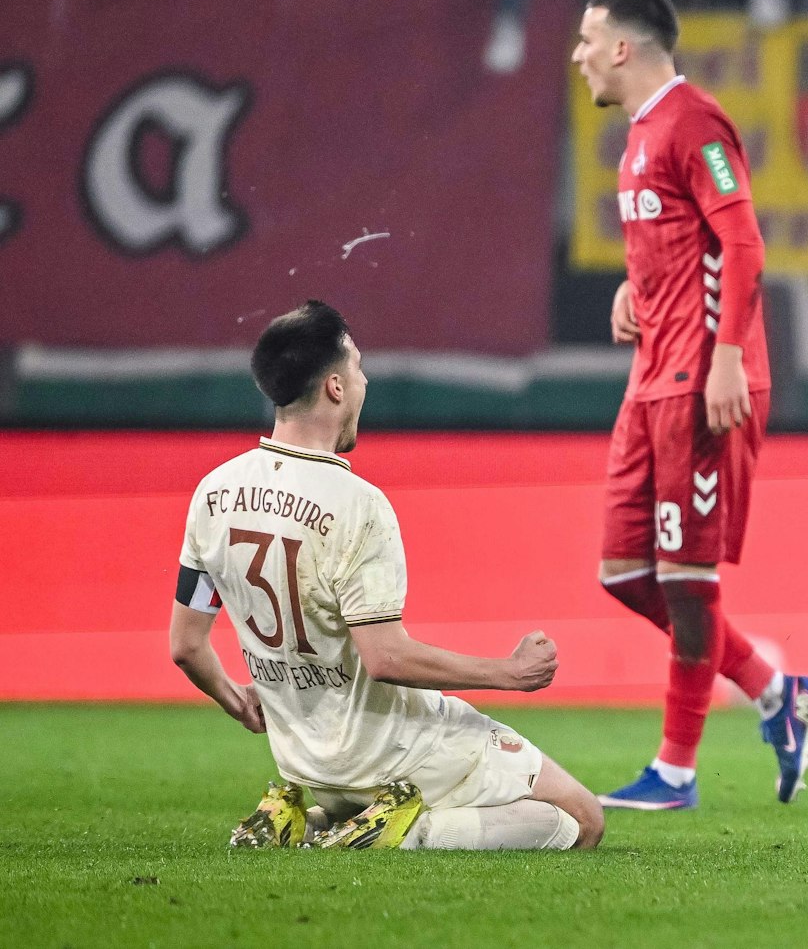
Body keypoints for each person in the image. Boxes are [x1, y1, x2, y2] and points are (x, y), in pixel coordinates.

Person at [170, 300, 604, 851]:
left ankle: (308, 824)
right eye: (358, 368)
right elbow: (386, 658)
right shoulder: (357, 504)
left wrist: (241, 702)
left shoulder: (214, 491)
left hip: (303, 759)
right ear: (334, 387)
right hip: (392, 748)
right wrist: (509, 672)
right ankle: (396, 835)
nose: (364, 381)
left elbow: (186, 647)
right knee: (580, 820)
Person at [571, 0, 808, 811]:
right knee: (622, 570)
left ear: (623, 48)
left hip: (701, 384)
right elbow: (686, 244)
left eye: (587, 40)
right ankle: (773, 690)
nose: (576, 55)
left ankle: (675, 773)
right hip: (652, 376)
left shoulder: (696, 122)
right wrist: (633, 282)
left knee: (687, 578)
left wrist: (724, 361)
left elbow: (744, 242)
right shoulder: (640, 137)